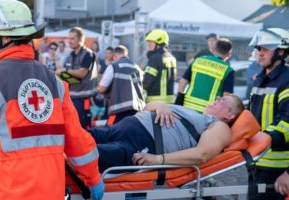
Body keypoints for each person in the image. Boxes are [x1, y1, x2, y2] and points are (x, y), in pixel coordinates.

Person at [0, 0, 104, 200]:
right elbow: (76, 138)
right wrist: (93, 178)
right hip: (47, 199)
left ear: (7, 38)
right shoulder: (53, 81)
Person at [90, 94, 244, 173]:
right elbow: (147, 107)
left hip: (138, 145)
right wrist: (160, 106)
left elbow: (202, 154)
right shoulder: (197, 116)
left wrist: (158, 159)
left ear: (229, 115)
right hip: (120, 129)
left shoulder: (220, 127)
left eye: (223, 100)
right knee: (72, 137)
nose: (217, 98)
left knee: (80, 155)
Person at [239, 28, 289, 200]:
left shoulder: (286, 81)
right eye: (259, 48)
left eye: (266, 48)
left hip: (278, 167)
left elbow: (286, 122)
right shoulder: (261, 79)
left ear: (281, 52)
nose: (260, 52)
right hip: (260, 163)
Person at [176, 38, 234, 113]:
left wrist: (178, 103)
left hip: (187, 109)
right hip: (209, 113)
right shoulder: (228, 70)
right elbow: (226, 96)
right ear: (229, 54)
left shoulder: (198, 61)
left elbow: (182, 82)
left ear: (214, 49)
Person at [56, 27, 98, 129]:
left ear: (81, 39)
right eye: (68, 38)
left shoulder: (88, 54)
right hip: (72, 98)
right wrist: (61, 75)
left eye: (72, 39)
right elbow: (68, 76)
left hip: (84, 98)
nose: (69, 41)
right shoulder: (69, 56)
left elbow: (82, 73)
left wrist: (64, 71)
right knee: (72, 128)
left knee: (83, 128)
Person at [97, 45, 145, 125]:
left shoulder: (114, 66)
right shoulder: (137, 68)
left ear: (115, 56)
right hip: (136, 111)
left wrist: (97, 88)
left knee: (111, 133)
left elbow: (102, 88)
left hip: (118, 110)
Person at [143, 29, 177, 104]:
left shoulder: (155, 58)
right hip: (170, 101)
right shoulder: (171, 58)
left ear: (159, 43)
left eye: (151, 42)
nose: (148, 44)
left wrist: (137, 91)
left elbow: (147, 80)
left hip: (155, 102)